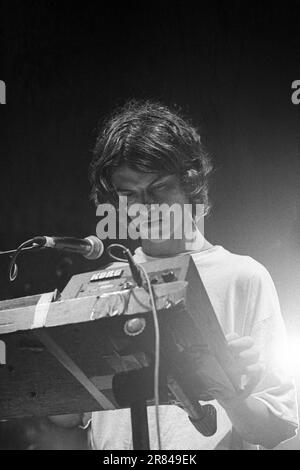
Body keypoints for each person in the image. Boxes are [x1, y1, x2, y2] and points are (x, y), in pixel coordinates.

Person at [54, 100, 299, 449]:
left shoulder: (243, 277)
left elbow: (274, 431)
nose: (146, 206)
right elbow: (65, 415)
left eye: (160, 188)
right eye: (129, 194)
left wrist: (227, 389)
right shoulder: (102, 283)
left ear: (191, 183)